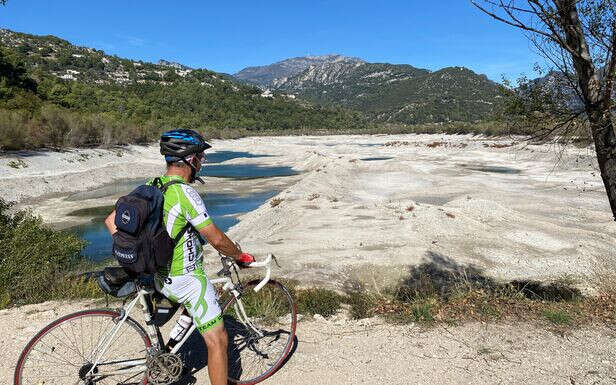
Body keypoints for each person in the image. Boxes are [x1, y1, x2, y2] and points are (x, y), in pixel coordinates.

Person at [104, 128, 255, 385]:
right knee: (218, 339)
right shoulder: (185, 193)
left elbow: (111, 221)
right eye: (200, 156)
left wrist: (141, 255)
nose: (202, 162)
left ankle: (168, 354)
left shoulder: (152, 186)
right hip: (184, 279)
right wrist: (239, 255)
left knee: (194, 305)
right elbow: (216, 238)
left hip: (158, 276)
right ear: (190, 159)